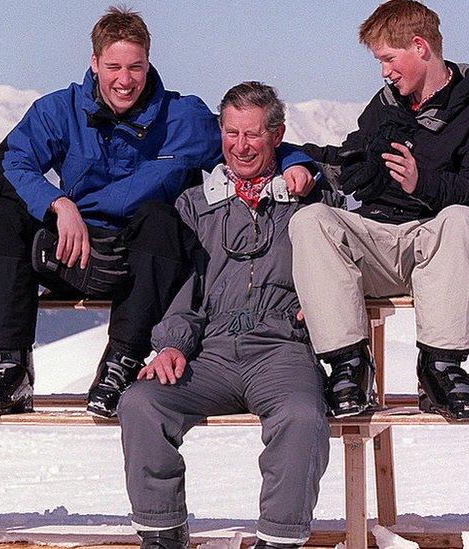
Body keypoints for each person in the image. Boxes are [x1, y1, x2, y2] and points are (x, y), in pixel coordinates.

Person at [0, 6, 314, 417]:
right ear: (94, 63)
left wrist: (297, 163)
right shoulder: (59, 111)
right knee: (0, 218)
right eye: (113, 66)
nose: (124, 79)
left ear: (148, 64)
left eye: (135, 67)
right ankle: (11, 367)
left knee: (161, 219)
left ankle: (121, 363)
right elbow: (7, 164)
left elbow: (245, 146)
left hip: (142, 270)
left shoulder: (181, 118)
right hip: (70, 250)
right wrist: (58, 204)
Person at [117, 82, 339, 549]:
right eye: (231, 133)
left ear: (277, 135)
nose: (241, 146)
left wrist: (321, 305)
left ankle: (279, 540)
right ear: (220, 132)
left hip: (280, 348)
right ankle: (161, 534)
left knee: (302, 416)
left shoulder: (309, 200)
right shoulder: (196, 204)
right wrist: (172, 343)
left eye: (254, 135)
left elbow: (344, 261)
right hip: (210, 352)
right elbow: (182, 289)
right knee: (141, 403)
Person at [289, 0, 469, 420]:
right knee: (311, 220)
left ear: (420, 47)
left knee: (462, 217)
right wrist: (296, 159)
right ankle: (348, 366)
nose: (384, 71)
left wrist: (421, 182)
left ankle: (442, 368)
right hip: (378, 242)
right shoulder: (384, 106)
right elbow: (350, 156)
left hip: (436, 249)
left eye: (389, 59)